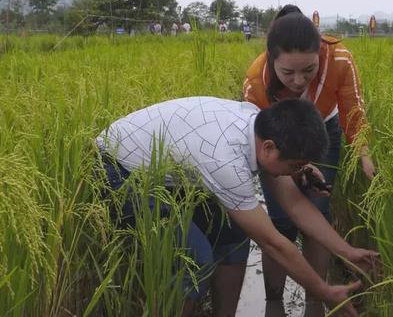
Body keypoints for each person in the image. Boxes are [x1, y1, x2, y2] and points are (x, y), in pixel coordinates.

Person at [97, 96, 378, 317]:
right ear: (268, 148)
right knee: (194, 260)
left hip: (163, 172)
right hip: (116, 171)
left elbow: (295, 205)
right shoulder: (226, 161)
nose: (296, 173)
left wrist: (347, 250)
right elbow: (273, 243)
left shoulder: (256, 126)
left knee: (232, 232)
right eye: (294, 166)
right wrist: (323, 291)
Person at [243, 5, 377, 313]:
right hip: (276, 135)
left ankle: (318, 300)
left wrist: (363, 154)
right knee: (278, 221)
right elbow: (262, 145)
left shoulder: (340, 59)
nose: (299, 81)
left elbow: (352, 109)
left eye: (309, 70)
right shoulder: (257, 82)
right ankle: (273, 300)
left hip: (322, 129)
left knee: (317, 207)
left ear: (320, 53)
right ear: (271, 59)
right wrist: (293, 170)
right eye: (288, 73)